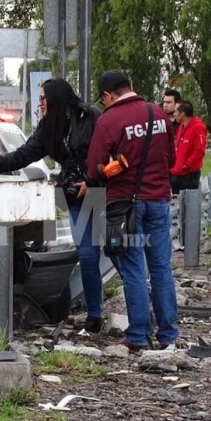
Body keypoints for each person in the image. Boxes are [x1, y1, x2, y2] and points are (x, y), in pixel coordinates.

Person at [0, 78, 105, 332]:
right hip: (76, 195)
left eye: (43, 98)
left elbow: (107, 150)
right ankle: (95, 316)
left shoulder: (89, 116)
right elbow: (20, 156)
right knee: (87, 254)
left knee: (121, 251)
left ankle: (140, 317)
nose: (39, 103)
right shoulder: (48, 128)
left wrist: (92, 179)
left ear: (55, 98)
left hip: (102, 190)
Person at [87, 70, 178, 351]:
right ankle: (168, 335)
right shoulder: (159, 114)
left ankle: (138, 336)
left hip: (125, 205)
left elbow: (93, 169)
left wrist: (111, 168)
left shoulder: (109, 120)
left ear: (107, 95)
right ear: (132, 86)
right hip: (160, 201)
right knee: (162, 268)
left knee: (134, 269)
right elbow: (171, 158)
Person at [170, 100, 207, 194]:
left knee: (189, 205)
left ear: (182, 114)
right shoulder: (181, 128)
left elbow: (199, 151)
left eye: (176, 111)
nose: (174, 114)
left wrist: (186, 166)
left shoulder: (198, 127)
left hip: (189, 175)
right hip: (176, 174)